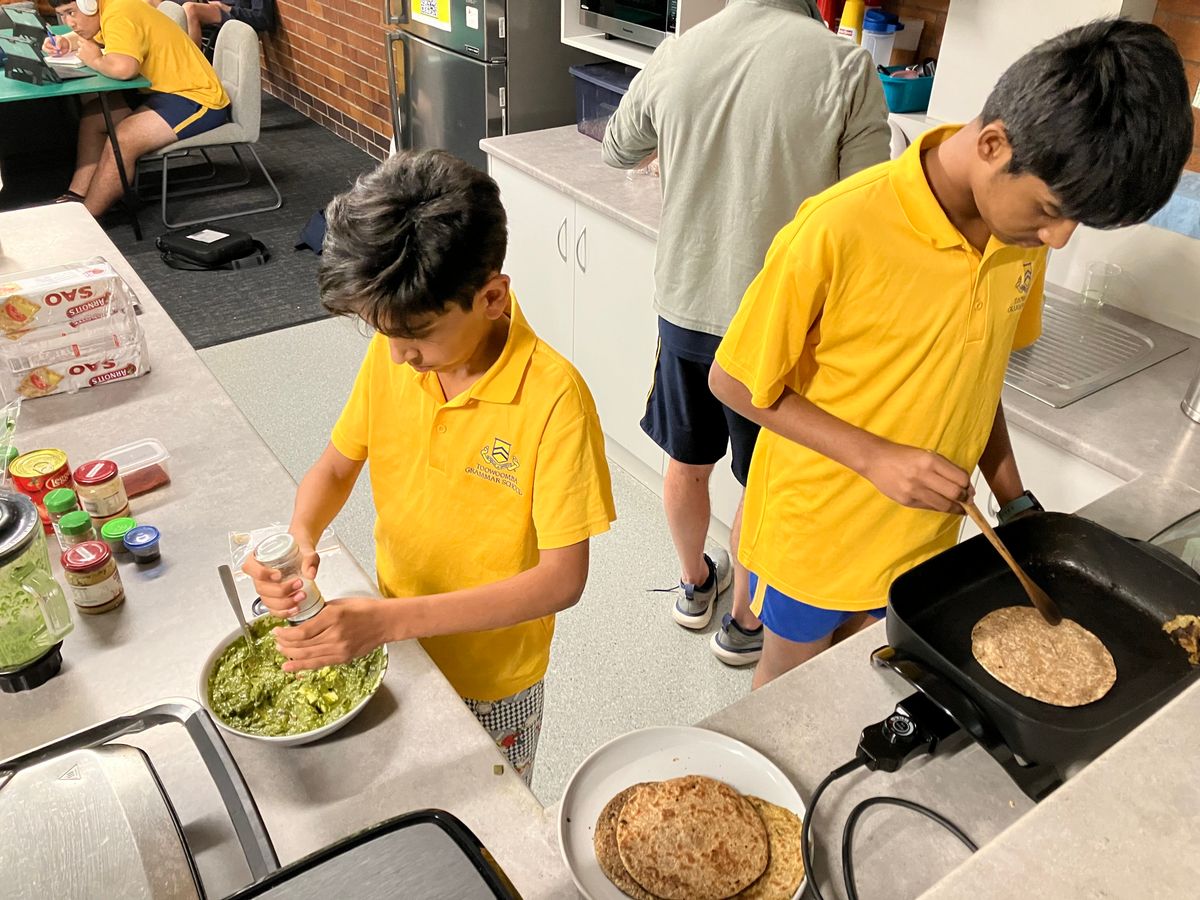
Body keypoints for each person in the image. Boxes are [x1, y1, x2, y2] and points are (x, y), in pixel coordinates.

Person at [709, 19, 1194, 689]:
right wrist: (875, 458)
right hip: (816, 534)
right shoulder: (840, 225)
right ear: (994, 144)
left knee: (861, 675)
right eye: (1052, 209)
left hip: (923, 538)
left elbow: (977, 379)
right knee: (792, 682)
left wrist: (1012, 498)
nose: (1058, 238)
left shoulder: (1017, 239)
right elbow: (734, 382)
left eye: (1076, 221)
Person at [242, 151, 617, 785]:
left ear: (491, 297)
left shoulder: (554, 399)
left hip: (492, 676)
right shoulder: (395, 352)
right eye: (380, 332)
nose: (397, 355)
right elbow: (335, 467)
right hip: (397, 640)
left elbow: (561, 581)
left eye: (415, 333)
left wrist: (388, 623)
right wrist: (299, 541)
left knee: (489, 805)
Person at [600, 0, 889, 665]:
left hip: (686, 305)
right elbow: (866, 211)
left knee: (687, 459)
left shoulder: (680, 51)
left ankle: (693, 584)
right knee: (766, 485)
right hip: (779, 330)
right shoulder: (846, 67)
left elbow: (619, 147)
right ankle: (743, 624)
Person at [43, 0, 230, 218]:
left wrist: (95, 60)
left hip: (197, 96)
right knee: (96, 117)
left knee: (123, 140)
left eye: (71, 12)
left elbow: (125, 69)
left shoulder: (119, 13)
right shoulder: (109, 8)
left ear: (88, 4)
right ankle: (75, 196)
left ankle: (86, 219)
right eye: (63, 15)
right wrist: (68, 41)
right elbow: (97, 36)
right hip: (159, 90)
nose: (69, 22)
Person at [177, 0, 274, 49]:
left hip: (237, 18)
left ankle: (193, 66)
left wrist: (227, 8)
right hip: (213, 10)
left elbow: (263, 19)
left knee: (190, 9)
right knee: (173, 8)